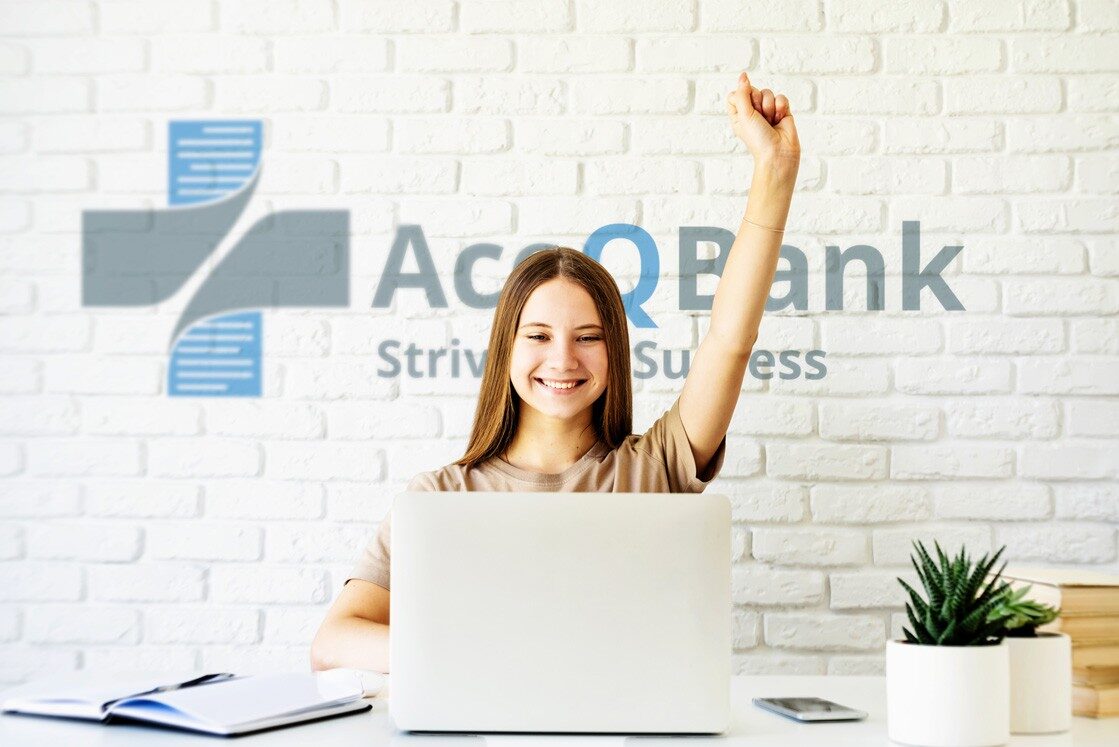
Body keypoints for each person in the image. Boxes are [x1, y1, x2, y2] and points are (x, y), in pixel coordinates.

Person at [310, 72, 800, 673]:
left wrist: (773, 173)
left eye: (588, 338)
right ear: (506, 352)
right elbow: (333, 643)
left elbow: (730, 339)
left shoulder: (653, 468)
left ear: (614, 353)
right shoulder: (441, 496)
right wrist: (479, 654)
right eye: (538, 337)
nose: (563, 360)